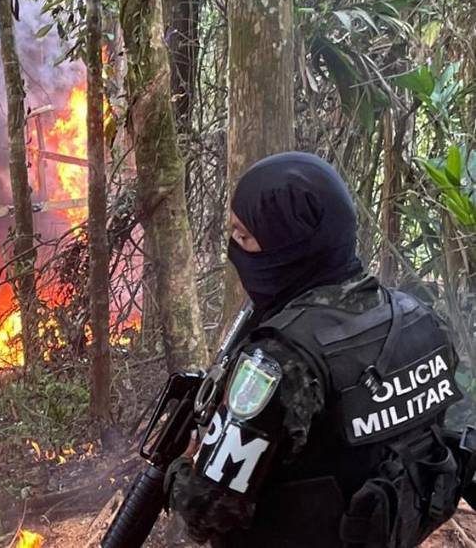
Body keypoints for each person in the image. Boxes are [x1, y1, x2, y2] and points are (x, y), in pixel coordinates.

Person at [165, 151, 474, 547]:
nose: (234, 248)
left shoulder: (277, 359)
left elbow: (207, 511)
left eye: (245, 236)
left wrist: (183, 463)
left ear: (288, 245)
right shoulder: (418, 318)